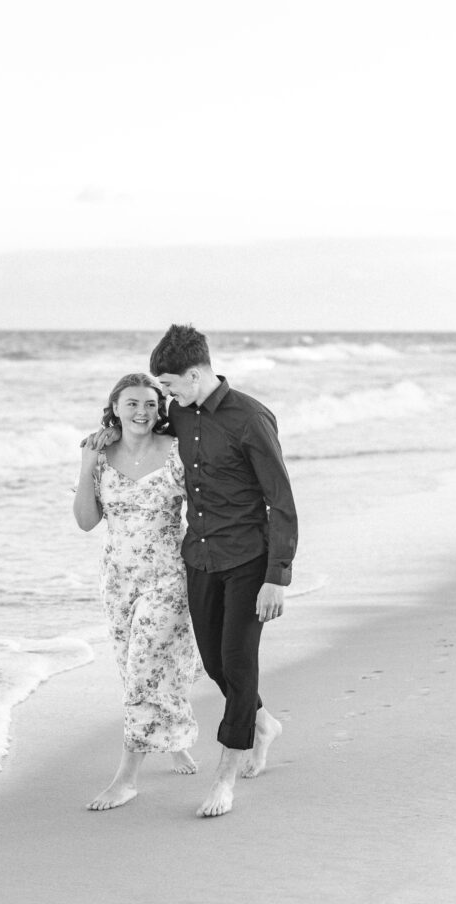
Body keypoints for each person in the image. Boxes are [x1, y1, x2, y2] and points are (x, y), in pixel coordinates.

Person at [97, 325, 298, 818]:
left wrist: (278, 575)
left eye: (169, 386)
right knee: (212, 664)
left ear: (193, 374)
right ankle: (263, 721)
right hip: (199, 559)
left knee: (237, 660)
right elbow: (142, 444)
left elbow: (281, 500)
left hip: (250, 560)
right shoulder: (181, 418)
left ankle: (225, 779)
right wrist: (101, 439)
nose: (165, 396)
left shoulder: (250, 418)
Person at [73, 372, 199, 811]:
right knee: (134, 669)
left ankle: (127, 777)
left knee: (146, 666)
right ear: (116, 408)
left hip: (167, 576)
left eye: (150, 403)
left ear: (159, 409)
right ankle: (174, 738)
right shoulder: (101, 455)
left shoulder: (178, 452)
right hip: (117, 579)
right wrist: (87, 466)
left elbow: (205, 508)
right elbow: (87, 522)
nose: (142, 411)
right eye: (132, 404)